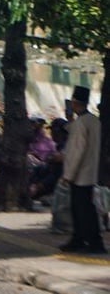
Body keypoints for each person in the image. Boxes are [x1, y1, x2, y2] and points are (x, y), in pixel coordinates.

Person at [59, 85, 106, 253]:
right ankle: (79, 239)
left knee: (83, 210)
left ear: (75, 102)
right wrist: (70, 120)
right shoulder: (93, 121)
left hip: (79, 174)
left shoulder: (81, 124)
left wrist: (68, 175)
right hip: (90, 171)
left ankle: (93, 242)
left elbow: (76, 151)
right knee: (84, 208)